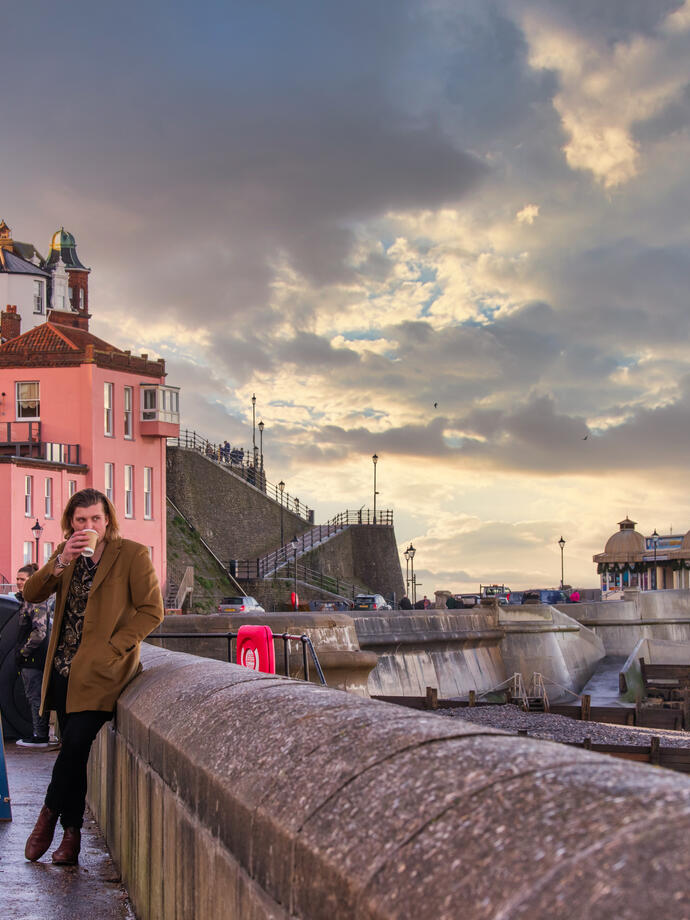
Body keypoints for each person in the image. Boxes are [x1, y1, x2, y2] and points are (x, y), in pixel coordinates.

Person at [22, 488, 164, 866]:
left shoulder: (131, 554)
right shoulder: (65, 555)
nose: (88, 526)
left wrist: (114, 648)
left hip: (103, 672)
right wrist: (58, 562)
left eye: (95, 519)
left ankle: (47, 818)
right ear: (71, 522)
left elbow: (152, 610)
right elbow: (31, 594)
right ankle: (71, 837)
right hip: (64, 671)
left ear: (107, 521)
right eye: (81, 520)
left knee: (74, 745)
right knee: (74, 752)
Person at [14, 563, 52, 747]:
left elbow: (40, 632)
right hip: (31, 659)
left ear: (32, 580)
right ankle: (38, 733)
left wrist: (23, 652)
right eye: (18, 579)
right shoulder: (27, 599)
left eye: (22, 579)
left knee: (35, 697)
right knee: (33, 696)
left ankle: (40, 736)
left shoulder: (35, 600)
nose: (18, 582)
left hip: (33, 659)